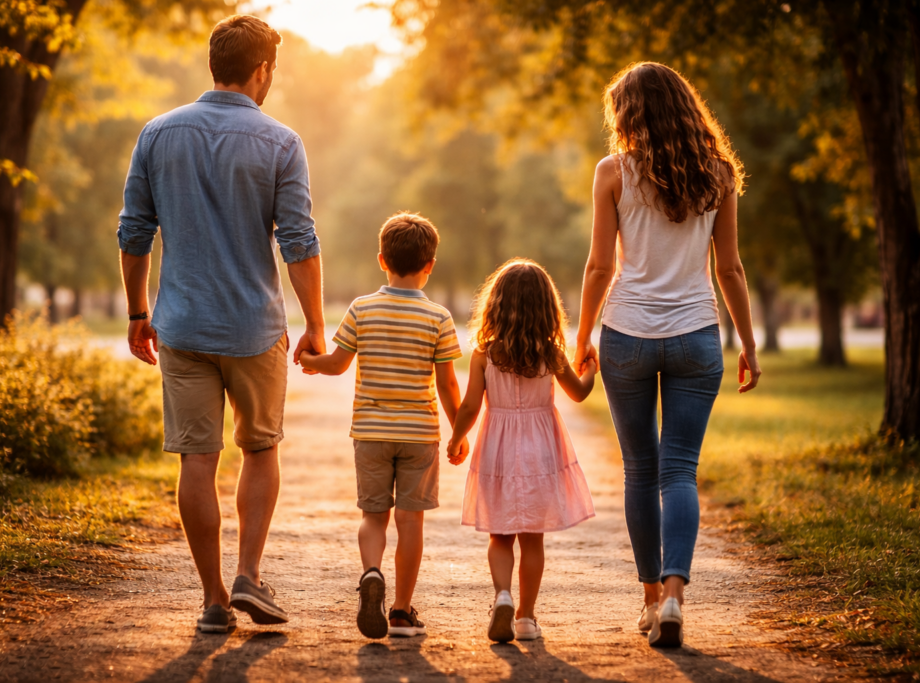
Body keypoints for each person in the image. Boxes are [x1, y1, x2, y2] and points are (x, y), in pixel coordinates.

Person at [117, 15, 326, 634]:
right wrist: (314, 323)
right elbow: (300, 241)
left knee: (197, 461)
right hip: (255, 329)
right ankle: (248, 575)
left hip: (180, 326)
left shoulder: (157, 134)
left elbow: (134, 233)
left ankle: (212, 601)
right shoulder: (282, 142)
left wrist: (137, 313)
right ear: (261, 71)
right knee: (260, 450)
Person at [573, 62, 762, 648]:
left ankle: (652, 599)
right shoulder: (718, 175)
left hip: (626, 335)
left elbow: (601, 266)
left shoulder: (613, 173)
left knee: (641, 469)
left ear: (627, 114)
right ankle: (677, 594)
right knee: (679, 469)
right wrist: (748, 342)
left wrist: (581, 336)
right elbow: (728, 267)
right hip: (696, 335)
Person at [298, 213, 467, 639]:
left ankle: (371, 571)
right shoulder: (439, 318)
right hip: (419, 434)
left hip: (371, 433)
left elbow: (337, 364)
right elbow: (447, 383)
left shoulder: (362, 309)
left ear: (381, 260)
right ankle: (401, 611)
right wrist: (459, 431)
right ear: (430, 265)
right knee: (411, 523)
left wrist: (309, 361)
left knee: (374, 518)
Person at [447, 259, 597, 643]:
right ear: (547, 308)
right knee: (533, 537)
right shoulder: (551, 353)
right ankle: (527, 618)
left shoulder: (485, 354)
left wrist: (457, 437)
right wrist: (591, 371)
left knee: (500, 536)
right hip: (541, 450)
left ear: (495, 305)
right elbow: (578, 394)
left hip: (498, 447)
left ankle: (502, 595)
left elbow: (469, 406)